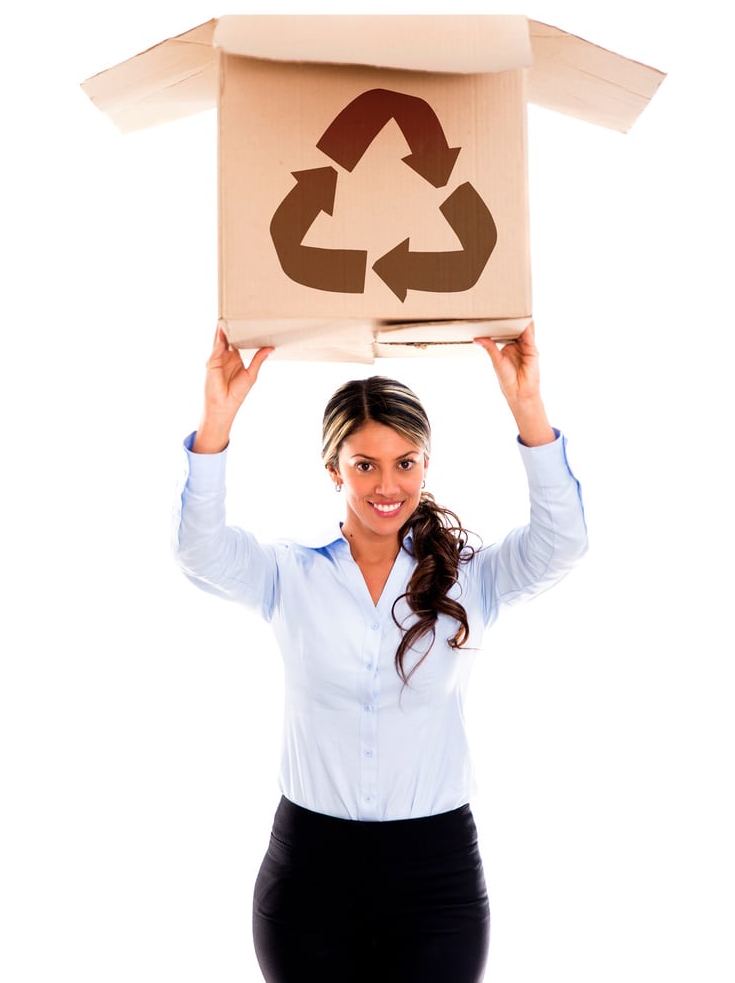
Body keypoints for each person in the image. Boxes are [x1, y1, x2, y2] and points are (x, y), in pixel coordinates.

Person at [173, 321, 587, 983]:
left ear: (426, 464)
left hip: (435, 873)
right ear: (332, 468)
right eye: (364, 464)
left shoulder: (468, 578)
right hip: (309, 869)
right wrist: (215, 423)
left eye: (404, 463)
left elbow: (560, 543)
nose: (385, 486)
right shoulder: (289, 575)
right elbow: (200, 551)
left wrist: (526, 409)